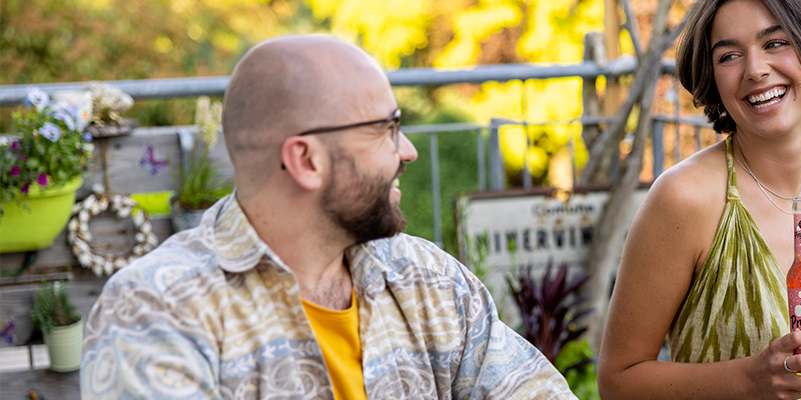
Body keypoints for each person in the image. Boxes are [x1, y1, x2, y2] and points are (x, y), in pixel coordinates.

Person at [81, 35, 575, 400]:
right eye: (386, 129)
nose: (407, 151)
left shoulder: (431, 283)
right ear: (307, 161)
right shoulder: (156, 312)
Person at [596, 0, 801, 398]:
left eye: (775, 43)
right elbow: (617, 381)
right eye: (729, 55)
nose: (756, 69)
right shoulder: (684, 199)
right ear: (713, 77)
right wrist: (748, 379)